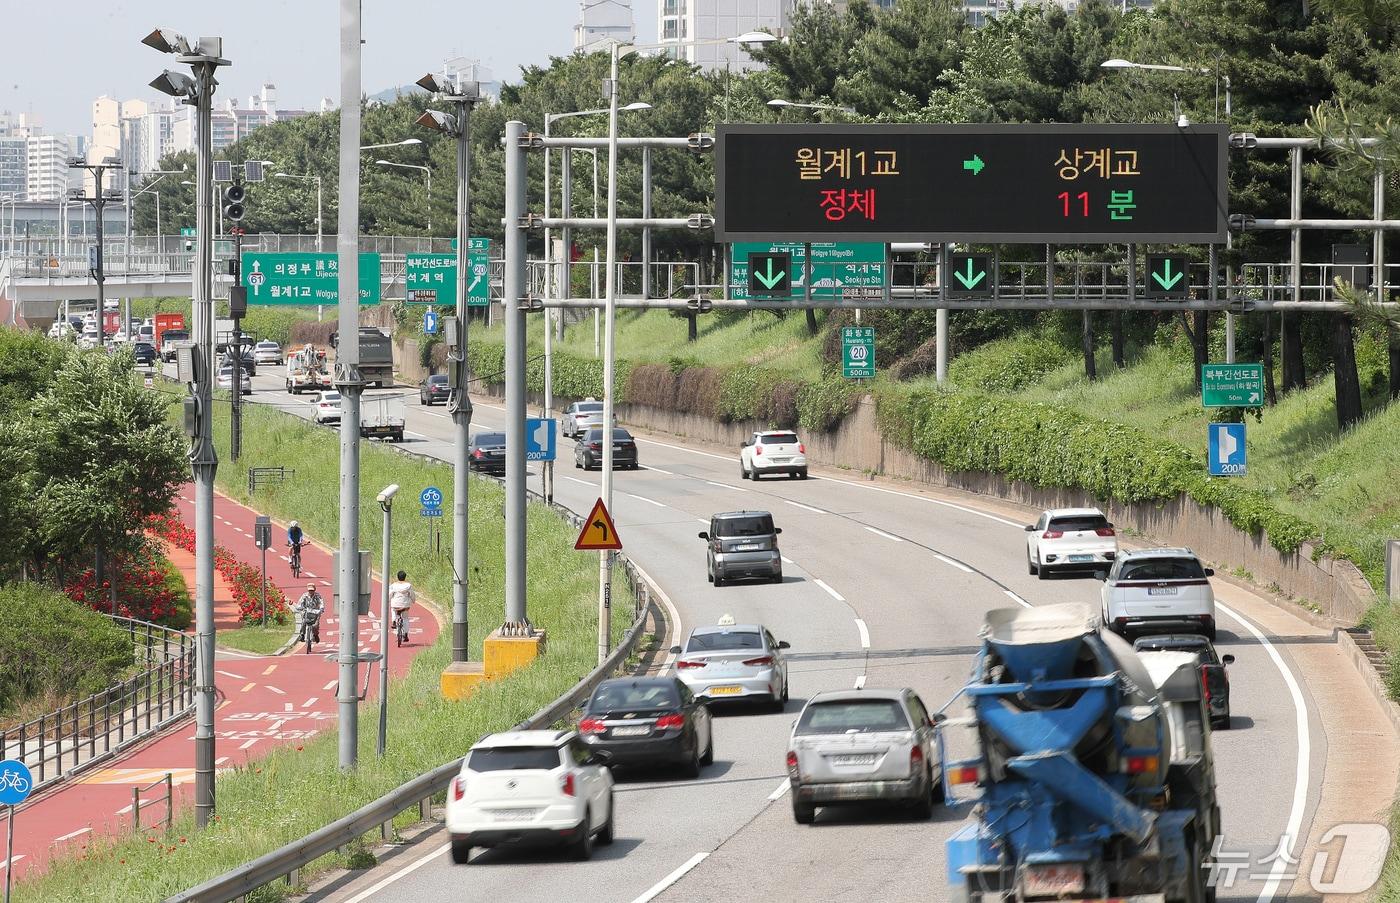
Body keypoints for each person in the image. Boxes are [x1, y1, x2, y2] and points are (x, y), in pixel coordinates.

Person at [389, 570, 415, 645]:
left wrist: (388, 600)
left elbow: (390, 594)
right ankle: (406, 634)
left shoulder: (393, 585)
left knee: (393, 610)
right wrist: (413, 600)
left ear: (397, 577)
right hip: (405, 605)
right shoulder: (408, 586)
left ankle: (394, 621)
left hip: (395, 604)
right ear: (405, 577)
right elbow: (412, 594)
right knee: (405, 618)